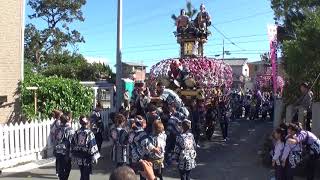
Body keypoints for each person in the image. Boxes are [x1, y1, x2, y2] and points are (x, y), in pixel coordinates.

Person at [129, 115, 160, 180]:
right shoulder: (142, 133)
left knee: (132, 173)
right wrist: (154, 149)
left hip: (133, 155)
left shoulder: (131, 132)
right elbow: (146, 143)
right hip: (141, 156)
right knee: (143, 173)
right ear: (142, 123)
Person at [71, 116, 100, 180]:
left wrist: (73, 154)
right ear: (88, 123)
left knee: (82, 172)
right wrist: (95, 156)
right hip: (87, 157)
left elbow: (72, 144)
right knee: (86, 174)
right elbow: (93, 145)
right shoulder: (90, 133)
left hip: (79, 156)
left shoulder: (76, 132)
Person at [54, 114, 75, 180]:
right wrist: (72, 153)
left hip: (58, 151)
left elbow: (55, 140)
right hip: (66, 153)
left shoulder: (58, 129)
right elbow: (72, 142)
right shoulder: (70, 130)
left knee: (60, 168)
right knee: (67, 168)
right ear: (67, 120)